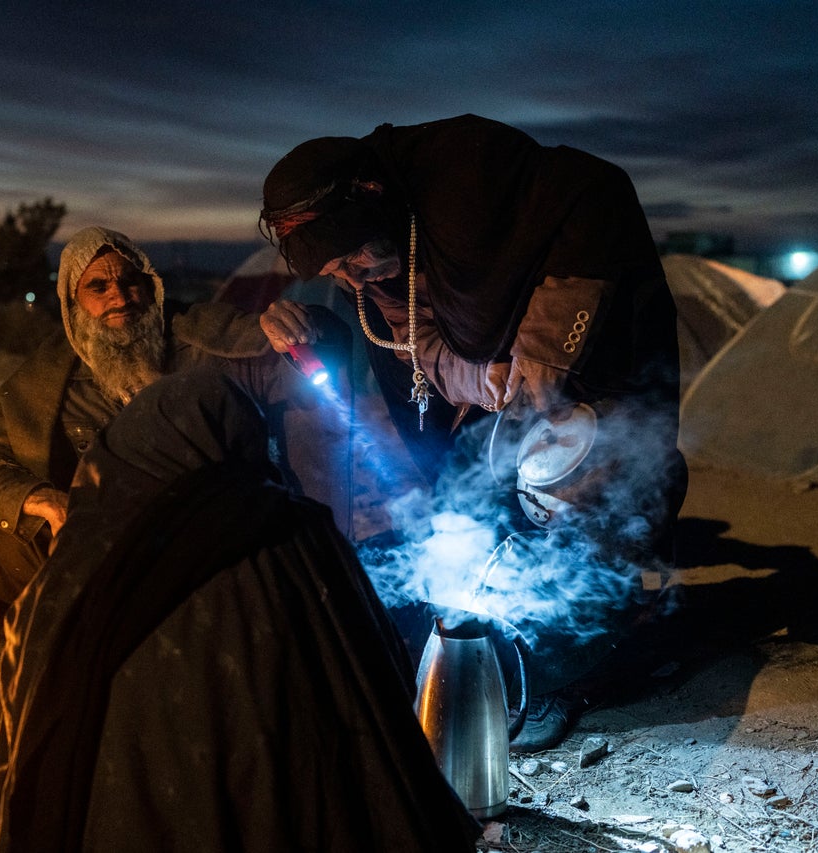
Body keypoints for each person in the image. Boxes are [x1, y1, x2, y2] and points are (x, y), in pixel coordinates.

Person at [257, 114, 688, 751]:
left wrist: (546, 345)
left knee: (589, 511)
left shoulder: (467, 170)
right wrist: (485, 380)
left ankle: (562, 675)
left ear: (373, 198)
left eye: (352, 258)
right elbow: (417, 344)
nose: (351, 278)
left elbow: (598, 197)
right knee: (464, 519)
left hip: (596, 387)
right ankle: (498, 654)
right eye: (334, 272)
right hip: (500, 405)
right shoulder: (379, 264)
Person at [0, 369, 480, 852]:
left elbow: (24, 737)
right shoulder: (302, 534)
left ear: (126, 453)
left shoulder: (75, 571)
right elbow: (383, 683)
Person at [0, 225, 351, 607]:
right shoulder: (49, 382)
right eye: (98, 287)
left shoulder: (201, 344)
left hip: (210, 535)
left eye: (131, 281)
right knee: (1, 544)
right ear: (73, 307)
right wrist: (47, 503)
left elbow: (288, 364)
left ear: (151, 288)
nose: (120, 297)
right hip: (110, 549)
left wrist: (306, 325)